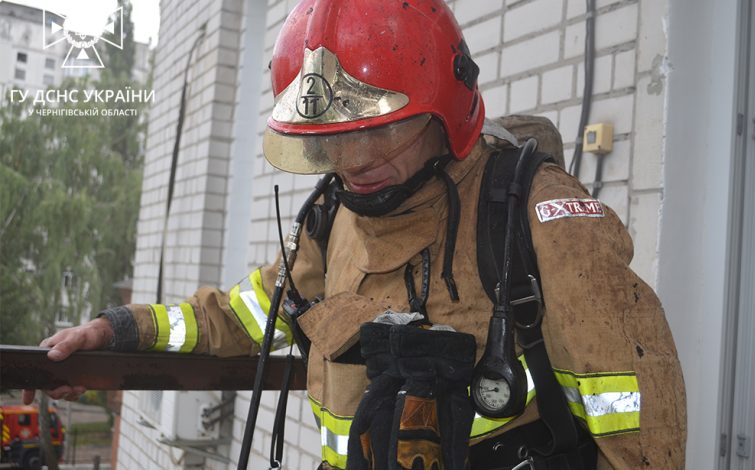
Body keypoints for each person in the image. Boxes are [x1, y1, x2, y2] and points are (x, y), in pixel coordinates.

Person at [23, 0, 687, 468]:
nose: (357, 162)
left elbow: (640, 424)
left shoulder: (536, 215)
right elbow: (243, 314)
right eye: (334, 142)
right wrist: (117, 332)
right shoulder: (331, 221)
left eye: (379, 130)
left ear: (445, 110)